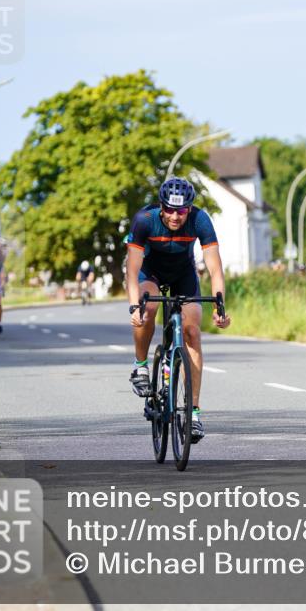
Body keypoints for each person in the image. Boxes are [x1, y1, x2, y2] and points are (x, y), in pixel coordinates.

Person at [126, 176, 231, 442]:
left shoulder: (200, 220)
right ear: (161, 206)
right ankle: (140, 366)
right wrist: (133, 307)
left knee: (192, 331)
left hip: (183, 274)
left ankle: (193, 414)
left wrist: (220, 306)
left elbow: (215, 268)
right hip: (150, 272)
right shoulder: (144, 220)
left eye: (181, 210)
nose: (175, 216)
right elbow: (132, 270)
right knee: (147, 307)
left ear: (189, 208)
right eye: (170, 210)